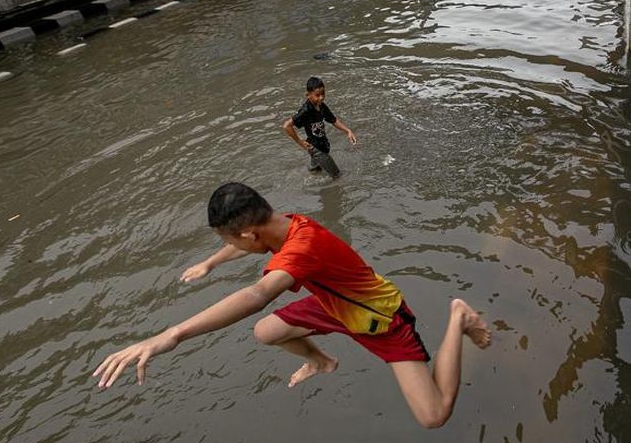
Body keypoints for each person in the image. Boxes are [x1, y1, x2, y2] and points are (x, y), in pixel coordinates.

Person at [93, 182, 492, 429]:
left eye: (232, 242)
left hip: (379, 320)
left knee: (434, 415)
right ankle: (321, 361)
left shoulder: (300, 250)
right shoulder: (282, 224)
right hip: (334, 304)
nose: (234, 248)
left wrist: (172, 334)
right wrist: (211, 262)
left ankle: (458, 317)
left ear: (249, 233)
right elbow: (250, 249)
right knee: (267, 331)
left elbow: (257, 295)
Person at [282, 76, 357, 177]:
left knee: (315, 171)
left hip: (322, 144)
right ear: (308, 95)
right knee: (338, 175)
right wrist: (300, 142)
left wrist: (348, 131)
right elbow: (287, 126)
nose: (321, 97)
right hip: (316, 149)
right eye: (317, 95)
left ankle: (311, 185)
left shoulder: (321, 106)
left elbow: (333, 120)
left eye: (323, 94)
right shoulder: (306, 110)